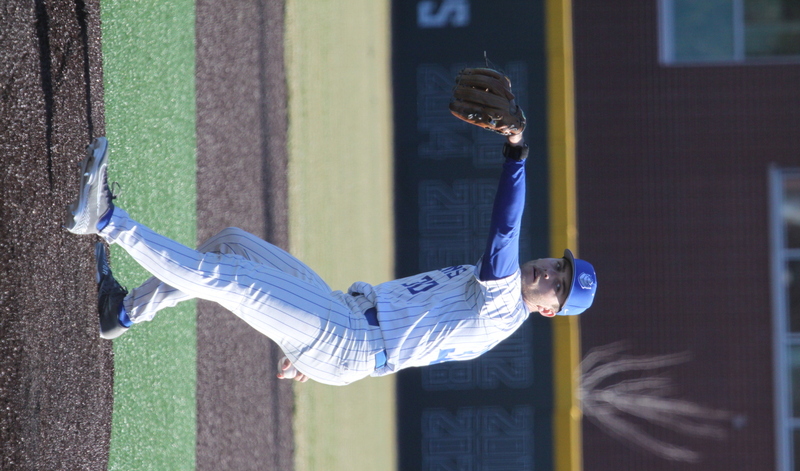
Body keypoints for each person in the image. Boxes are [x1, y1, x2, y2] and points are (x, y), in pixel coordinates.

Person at [65, 132, 596, 386]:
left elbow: (504, 230)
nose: (550, 273)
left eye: (559, 285)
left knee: (230, 280)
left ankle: (106, 221)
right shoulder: (500, 298)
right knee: (231, 242)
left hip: (347, 338)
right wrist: (319, 359)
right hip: (344, 323)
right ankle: (124, 312)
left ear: (548, 310)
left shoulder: (506, 309)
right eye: (558, 266)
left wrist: (517, 154)